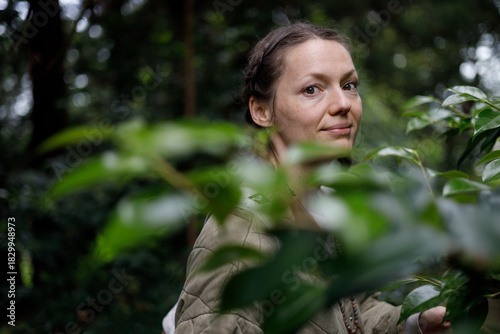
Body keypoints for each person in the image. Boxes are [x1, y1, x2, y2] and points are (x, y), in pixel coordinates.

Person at [163, 22, 451, 334]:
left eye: (349, 85)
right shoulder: (242, 232)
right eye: (312, 89)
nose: (343, 103)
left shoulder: (328, 207)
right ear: (262, 111)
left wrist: (414, 324)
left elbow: (351, 311)